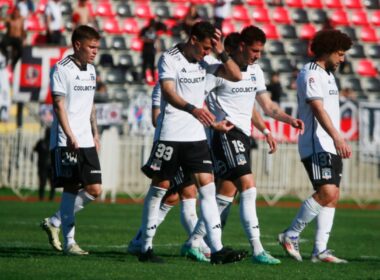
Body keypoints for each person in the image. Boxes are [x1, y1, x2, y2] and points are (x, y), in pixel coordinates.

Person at [184, 27, 304, 265]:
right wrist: (214, 123)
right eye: (254, 50)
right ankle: (258, 249)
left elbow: (263, 107)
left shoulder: (256, 72)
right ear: (241, 46)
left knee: (225, 196)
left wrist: (276, 125)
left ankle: (193, 242)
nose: (257, 55)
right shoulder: (218, 71)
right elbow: (197, 99)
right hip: (226, 135)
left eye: (260, 51)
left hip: (244, 136)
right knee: (248, 187)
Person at [137, 21, 246, 264]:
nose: (208, 52)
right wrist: (193, 109)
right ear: (193, 40)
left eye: (211, 49)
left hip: (196, 137)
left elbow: (236, 75)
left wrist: (220, 51)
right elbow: (168, 91)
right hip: (171, 134)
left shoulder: (206, 62)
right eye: (206, 47)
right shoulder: (170, 58)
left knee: (207, 187)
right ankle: (145, 247)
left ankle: (217, 249)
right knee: (160, 190)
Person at [278, 29, 352, 263]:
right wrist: (337, 136)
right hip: (317, 143)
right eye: (340, 54)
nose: (343, 59)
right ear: (327, 51)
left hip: (329, 143)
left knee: (333, 196)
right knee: (327, 191)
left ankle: (320, 251)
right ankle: (290, 234)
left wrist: (336, 139)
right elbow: (318, 109)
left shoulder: (328, 74)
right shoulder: (310, 74)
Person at [127, 83, 210, 262]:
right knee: (176, 192)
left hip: (190, 145)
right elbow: (157, 119)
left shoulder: (193, 82)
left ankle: (139, 240)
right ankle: (200, 246)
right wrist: (183, 118)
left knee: (176, 197)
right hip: (172, 144)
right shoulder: (162, 87)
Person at [40, 25, 102, 255]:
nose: (95, 52)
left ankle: (54, 221)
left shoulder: (92, 70)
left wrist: (95, 133)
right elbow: (58, 105)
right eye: (91, 47)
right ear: (77, 45)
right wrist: (69, 134)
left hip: (86, 139)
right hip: (68, 140)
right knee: (71, 187)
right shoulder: (61, 69)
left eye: (97, 47)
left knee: (95, 189)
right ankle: (70, 243)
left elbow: (90, 103)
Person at [139, 19, 166, 84]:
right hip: (145, 49)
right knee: (144, 65)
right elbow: (141, 37)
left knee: (152, 65)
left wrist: (158, 46)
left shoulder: (155, 30)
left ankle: (153, 78)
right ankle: (143, 78)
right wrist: (148, 40)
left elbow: (157, 38)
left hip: (151, 50)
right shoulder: (145, 30)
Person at [34, 127, 54, 201]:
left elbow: (35, 149)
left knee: (43, 182)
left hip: (42, 165)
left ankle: (41, 197)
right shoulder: (53, 142)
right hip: (51, 165)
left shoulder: (41, 142)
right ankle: (51, 197)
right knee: (52, 183)